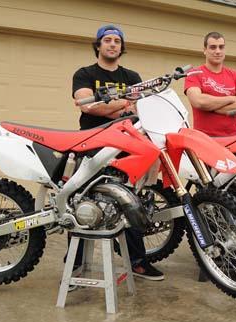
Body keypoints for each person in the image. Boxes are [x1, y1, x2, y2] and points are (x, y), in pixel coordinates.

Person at [71, 24, 163, 282]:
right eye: (107, 40)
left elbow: (138, 110)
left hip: (125, 146)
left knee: (130, 200)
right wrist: (122, 105)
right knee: (81, 201)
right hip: (91, 143)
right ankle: (75, 264)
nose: (112, 44)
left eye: (117, 41)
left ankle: (137, 262)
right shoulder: (85, 74)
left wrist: (109, 107)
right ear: (98, 45)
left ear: (122, 47)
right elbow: (87, 105)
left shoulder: (132, 76)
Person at [184, 31, 236, 136]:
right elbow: (199, 102)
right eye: (213, 47)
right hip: (205, 139)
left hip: (233, 139)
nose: (218, 51)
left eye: (221, 47)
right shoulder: (194, 74)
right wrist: (231, 98)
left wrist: (212, 107)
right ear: (205, 50)